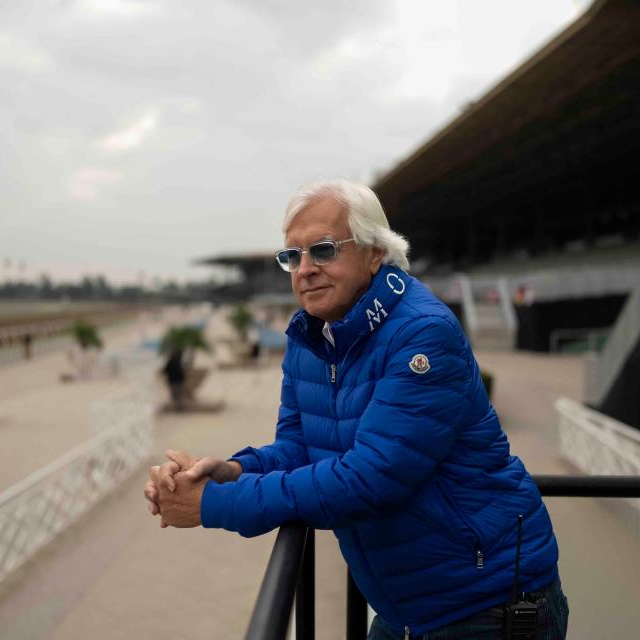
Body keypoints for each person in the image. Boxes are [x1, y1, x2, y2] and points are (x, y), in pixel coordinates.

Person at [144, 179, 568, 639]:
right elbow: (299, 448)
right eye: (292, 256)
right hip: (404, 607)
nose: (304, 269)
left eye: (323, 250)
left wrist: (211, 505)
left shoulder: (423, 333)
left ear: (374, 253)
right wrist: (230, 471)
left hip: (486, 605)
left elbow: (371, 478)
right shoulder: (310, 337)